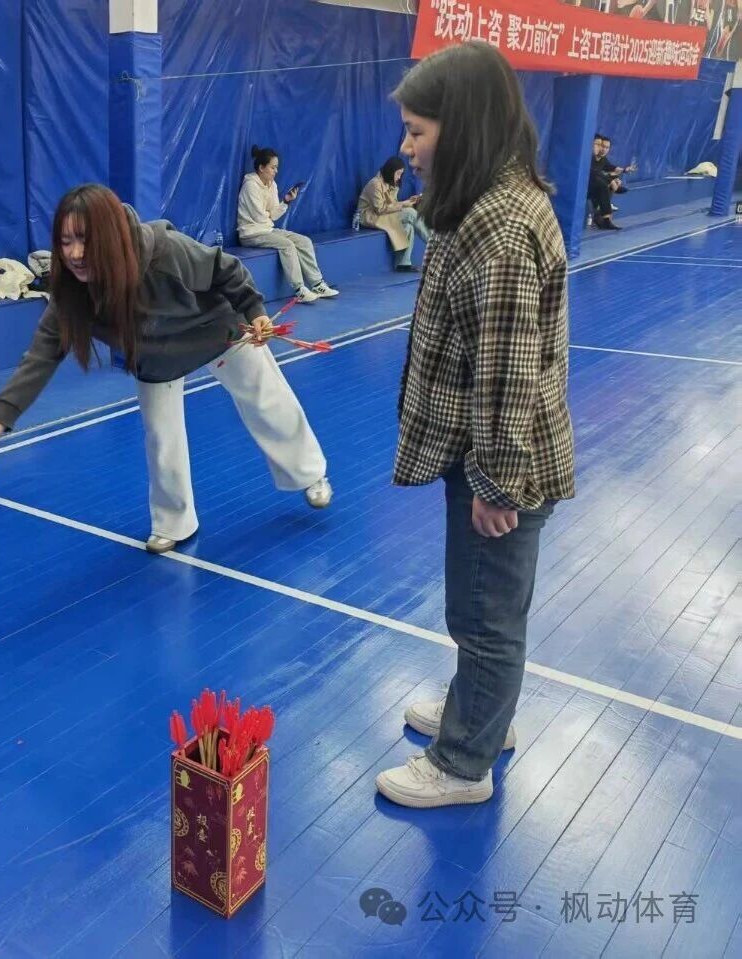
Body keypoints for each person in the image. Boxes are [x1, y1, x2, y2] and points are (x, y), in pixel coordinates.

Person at [377, 40, 575, 808]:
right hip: (490, 454)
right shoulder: (489, 201)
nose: (407, 147)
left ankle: (465, 761)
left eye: (417, 131)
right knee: (479, 606)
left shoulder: (499, 228)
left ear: (460, 128)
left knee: (487, 616)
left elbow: (506, 373)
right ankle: (483, 712)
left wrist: (496, 484)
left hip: (500, 465)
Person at [0, 184, 333, 554]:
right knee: (161, 438)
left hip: (217, 332)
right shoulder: (72, 294)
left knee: (268, 401)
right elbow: (40, 357)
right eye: (66, 242)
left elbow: (225, 269)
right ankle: (174, 522)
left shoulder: (165, 250)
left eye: (85, 240)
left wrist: (256, 312)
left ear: (109, 236)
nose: (74, 254)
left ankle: (310, 474)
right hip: (156, 356)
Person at [236, 146, 339, 304]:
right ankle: (299, 290)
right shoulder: (250, 185)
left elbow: (273, 215)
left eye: (277, 167)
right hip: (250, 233)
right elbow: (258, 217)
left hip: (267, 229)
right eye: (273, 167)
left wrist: (286, 201)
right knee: (287, 245)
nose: (276, 171)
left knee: (304, 241)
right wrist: (268, 215)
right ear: (261, 168)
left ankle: (317, 284)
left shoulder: (272, 184)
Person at [356, 157, 431, 273]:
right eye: (398, 173)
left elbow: (392, 204)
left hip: (383, 214)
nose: (399, 177)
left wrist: (409, 201)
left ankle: (403, 264)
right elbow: (380, 209)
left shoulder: (391, 183)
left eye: (401, 174)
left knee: (408, 226)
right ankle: (434, 244)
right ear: (391, 171)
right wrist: (404, 204)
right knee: (411, 213)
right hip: (369, 216)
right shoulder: (375, 184)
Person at [587, 134, 629, 230]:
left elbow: (610, 167)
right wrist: (611, 179)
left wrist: (623, 171)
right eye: (598, 145)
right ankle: (604, 218)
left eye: (606, 147)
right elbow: (592, 173)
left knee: (605, 183)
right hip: (585, 188)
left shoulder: (602, 159)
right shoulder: (587, 157)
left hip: (595, 187)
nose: (601, 148)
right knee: (602, 183)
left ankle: (602, 217)